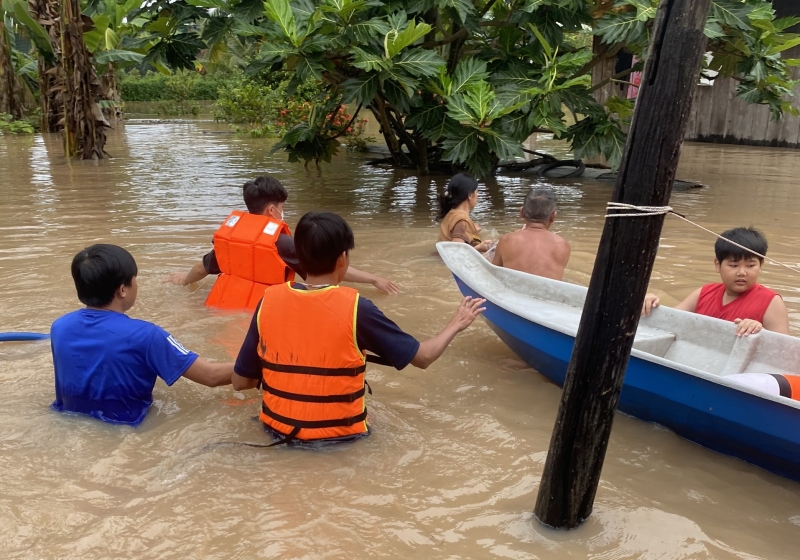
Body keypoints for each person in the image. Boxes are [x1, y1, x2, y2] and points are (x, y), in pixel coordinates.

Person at [231, 212, 486, 445]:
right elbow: (424, 357)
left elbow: (240, 382)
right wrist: (456, 323)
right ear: (343, 259)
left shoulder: (268, 301)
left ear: (298, 256)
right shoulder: (357, 308)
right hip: (340, 444)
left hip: (274, 434)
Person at [51, 244, 234, 426]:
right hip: (126, 430)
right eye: (135, 278)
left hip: (66, 421)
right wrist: (258, 360)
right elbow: (211, 376)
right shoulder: (146, 335)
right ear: (122, 290)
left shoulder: (59, 326)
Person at [167, 175, 399, 310]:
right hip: (266, 313)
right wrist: (374, 278)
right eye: (282, 207)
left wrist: (183, 280)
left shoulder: (230, 241)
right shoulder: (283, 243)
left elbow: (200, 269)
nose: (283, 211)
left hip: (221, 309)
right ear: (272, 209)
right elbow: (327, 268)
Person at [642, 227, 790, 336]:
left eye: (751, 265)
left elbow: (784, 350)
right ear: (717, 265)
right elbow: (669, 320)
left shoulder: (771, 302)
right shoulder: (703, 293)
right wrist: (651, 303)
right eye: (733, 265)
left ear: (761, 265)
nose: (742, 272)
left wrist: (760, 332)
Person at [491, 188, 571, 280]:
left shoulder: (507, 240)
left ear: (522, 212)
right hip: (547, 294)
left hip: (512, 293)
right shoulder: (563, 245)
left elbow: (493, 274)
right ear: (553, 216)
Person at [437, 173, 493, 252]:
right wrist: (479, 248)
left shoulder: (452, 213)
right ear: (470, 196)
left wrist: (470, 230)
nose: (478, 196)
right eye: (477, 192)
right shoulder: (462, 221)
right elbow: (456, 253)